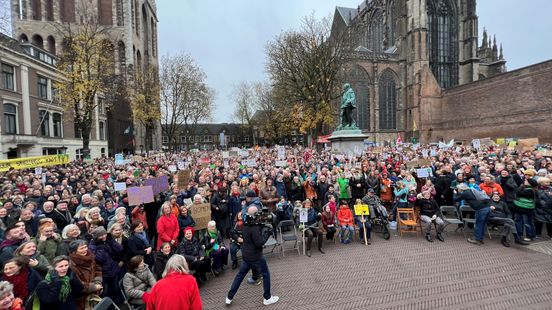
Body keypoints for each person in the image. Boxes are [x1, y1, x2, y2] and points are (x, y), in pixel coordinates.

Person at [226, 206, 279, 306]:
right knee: (266, 274)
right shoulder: (254, 228)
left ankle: (229, 297)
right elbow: (259, 243)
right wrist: (268, 233)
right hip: (256, 257)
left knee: (240, 276)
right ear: (255, 214)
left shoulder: (246, 224)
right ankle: (267, 298)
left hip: (246, 255)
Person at [88, 226, 124, 304]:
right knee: (106, 292)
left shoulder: (107, 240)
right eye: (101, 235)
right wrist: (101, 247)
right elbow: (100, 259)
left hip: (113, 270)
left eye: (105, 234)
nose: (104, 236)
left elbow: (119, 249)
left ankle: (118, 303)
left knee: (116, 289)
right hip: (104, 273)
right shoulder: (92, 246)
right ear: (96, 237)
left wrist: (112, 241)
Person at [68, 240, 103, 310]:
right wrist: (93, 287)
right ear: (74, 252)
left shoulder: (90, 257)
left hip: (94, 292)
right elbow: (77, 284)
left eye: (85, 247)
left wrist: (98, 282)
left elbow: (97, 269)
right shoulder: (71, 265)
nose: (85, 250)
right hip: (81, 298)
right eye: (81, 248)